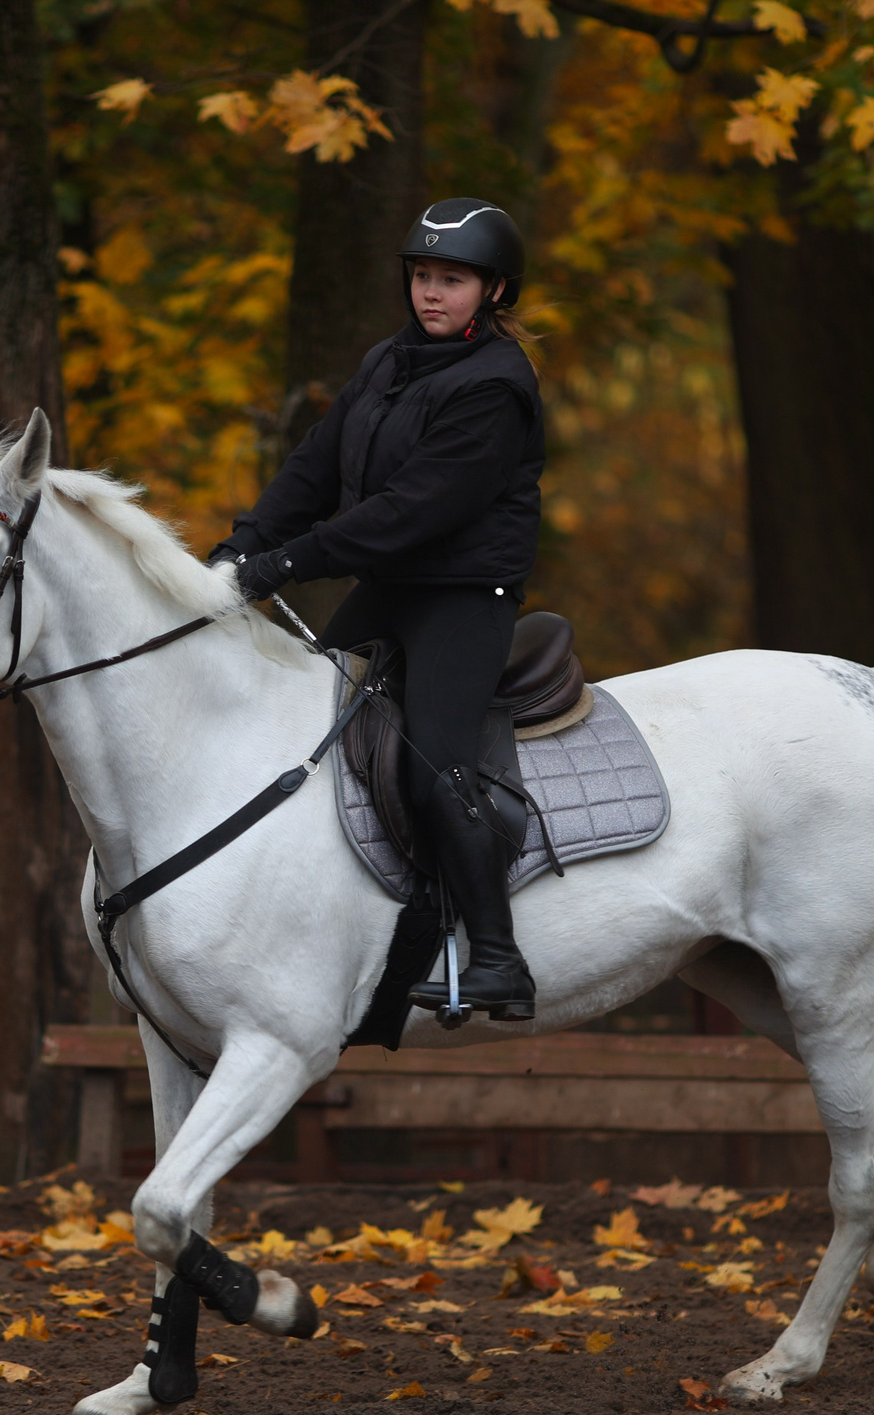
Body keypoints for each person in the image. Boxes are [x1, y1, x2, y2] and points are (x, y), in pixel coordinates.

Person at [210, 197, 545, 1021]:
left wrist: (285, 564)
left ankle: (499, 959)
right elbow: (315, 464)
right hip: (390, 590)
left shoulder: (497, 385)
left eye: (453, 281)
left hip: (465, 596)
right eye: (424, 277)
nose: (432, 294)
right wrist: (240, 546)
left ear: (495, 292)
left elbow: (411, 511)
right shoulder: (387, 361)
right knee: (304, 725)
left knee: (435, 762)